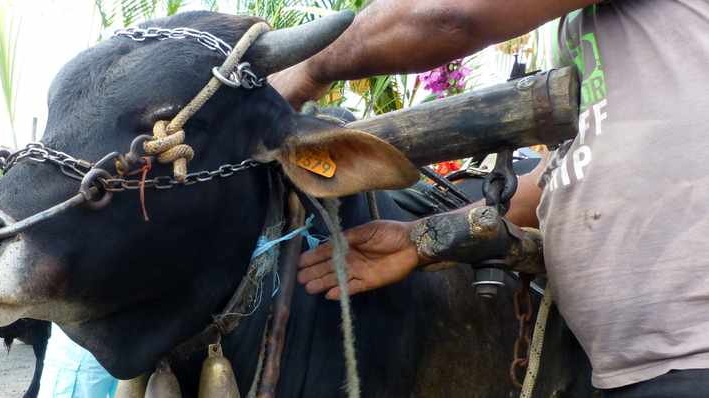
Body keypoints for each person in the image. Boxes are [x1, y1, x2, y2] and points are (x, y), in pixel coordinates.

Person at [270, 1, 709, 396]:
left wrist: (307, 67)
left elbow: (451, 15)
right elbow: (557, 176)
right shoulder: (592, 30)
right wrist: (419, 239)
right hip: (632, 371)